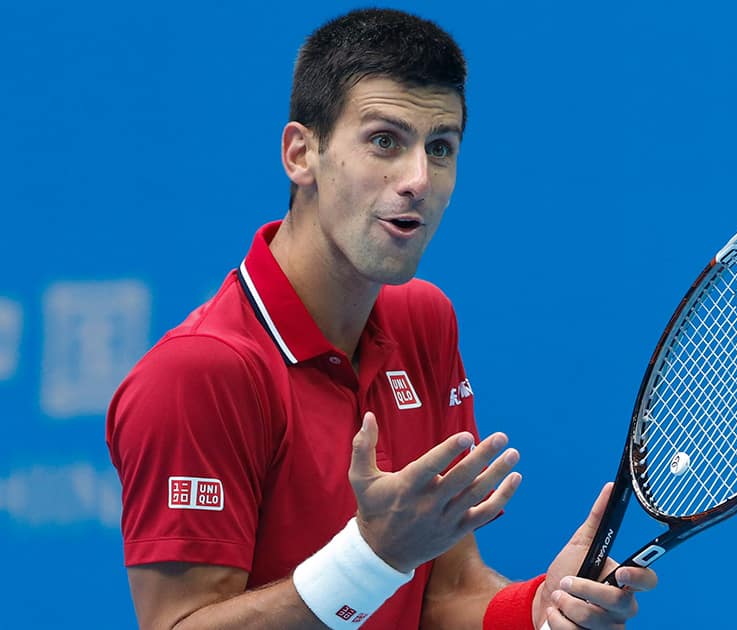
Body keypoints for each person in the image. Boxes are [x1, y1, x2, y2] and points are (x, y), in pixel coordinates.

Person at [106, 8, 657, 629]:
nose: (417, 179)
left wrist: (539, 611)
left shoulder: (424, 321)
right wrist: (374, 557)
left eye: (440, 148)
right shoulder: (199, 372)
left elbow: (444, 592)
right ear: (300, 153)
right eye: (384, 142)